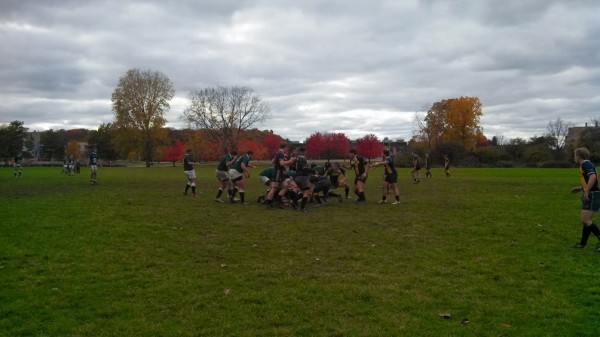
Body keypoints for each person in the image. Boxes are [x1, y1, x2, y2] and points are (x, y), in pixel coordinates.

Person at [571, 147, 600, 250]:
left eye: (575, 155)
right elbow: (590, 179)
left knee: (585, 220)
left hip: (592, 194)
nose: (574, 157)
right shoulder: (586, 164)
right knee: (586, 220)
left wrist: (586, 191)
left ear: (579, 155)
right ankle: (583, 244)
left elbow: (593, 177)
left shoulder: (585, 164)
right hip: (592, 193)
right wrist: (581, 188)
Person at [265, 143, 296, 209]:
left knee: (286, 186)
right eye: (287, 148)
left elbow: (273, 162)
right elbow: (282, 163)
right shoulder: (280, 153)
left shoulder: (278, 153)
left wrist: (290, 162)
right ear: (285, 147)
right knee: (274, 188)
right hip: (278, 173)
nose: (287, 150)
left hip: (279, 172)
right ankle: (268, 204)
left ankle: (278, 202)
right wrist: (290, 160)